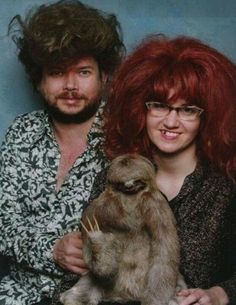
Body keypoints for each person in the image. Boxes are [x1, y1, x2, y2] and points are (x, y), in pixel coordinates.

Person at [0, 0, 125, 304]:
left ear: (104, 77)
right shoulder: (22, 131)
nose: (70, 85)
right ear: (39, 80)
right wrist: (51, 249)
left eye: (83, 72)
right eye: (57, 72)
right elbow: (3, 223)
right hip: (12, 294)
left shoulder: (125, 137)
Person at [101, 35, 236, 305]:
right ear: (141, 109)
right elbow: (83, 273)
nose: (170, 121)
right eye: (160, 106)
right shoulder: (117, 177)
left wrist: (219, 294)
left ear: (207, 116)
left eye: (187, 110)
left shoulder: (227, 188)